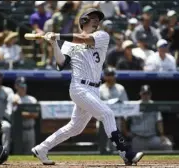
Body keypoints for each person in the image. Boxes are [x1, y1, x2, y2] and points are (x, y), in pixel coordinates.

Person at [31, 8, 144, 166]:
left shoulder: (102, 36)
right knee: (107, 114)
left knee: (75, 128)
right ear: (83, 20)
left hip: (94, 89)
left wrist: (58, 36)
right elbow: (61, 64)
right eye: (92, 17)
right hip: (79, 87)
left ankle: (42, 148)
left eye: (98, 18)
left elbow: (83, 39)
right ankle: (126, 153)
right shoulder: (69, 43)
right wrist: (54, 43)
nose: (97, 20)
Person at [122, 85, 173, 151]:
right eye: (144, 94)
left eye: (147, 94)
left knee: (167, 145)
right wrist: (125, 132)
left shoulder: (154, 105)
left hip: (152, 138)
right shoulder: (135, 105)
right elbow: (124, 118)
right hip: (137, 138)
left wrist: (162, 135)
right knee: (136, 157)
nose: (146, 96)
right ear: (140, 94)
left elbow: (159, 121)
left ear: (150, 94)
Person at [99, 67, 129, 153]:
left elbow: (126, 106)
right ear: (104, 76)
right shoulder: (100, 89)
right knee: (103, 145)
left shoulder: (120, 88)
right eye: (108, 75)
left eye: (111, 75)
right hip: (103, 120)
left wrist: (124, 122)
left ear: (115, 76)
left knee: (115, 146)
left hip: (117, 120)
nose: (110, 77)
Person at [13, 77, 39, 154]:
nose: (23, 88)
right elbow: (15, 114)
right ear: (16, 86)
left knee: (30, 153)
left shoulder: (31, 99)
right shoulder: (13, 97)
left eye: (24, 86)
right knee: (17, 152)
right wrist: (29, 113)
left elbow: (36, 114)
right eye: (20, 86)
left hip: (30, 129)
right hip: (18, 130)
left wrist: (23, 113)